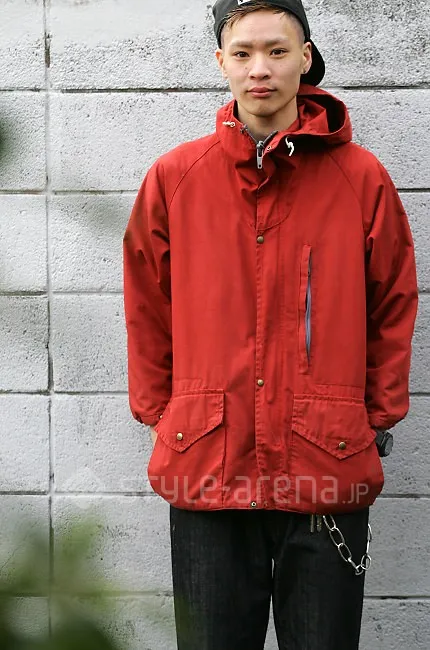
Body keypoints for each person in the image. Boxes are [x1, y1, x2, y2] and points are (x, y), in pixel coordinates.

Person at [122, 1, 418, 648]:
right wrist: (162, 412)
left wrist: (374, 414)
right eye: (244, 52)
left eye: (278, 51)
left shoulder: (360, 179)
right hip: (208, 467)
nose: (261, 68)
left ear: (304, 58)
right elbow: (146, 303)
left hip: (325, 468)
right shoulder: (176, 178)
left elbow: (393, 301)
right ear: (221, 63)